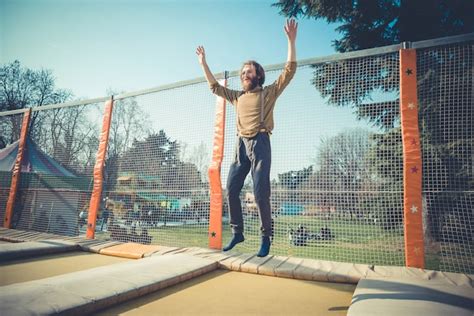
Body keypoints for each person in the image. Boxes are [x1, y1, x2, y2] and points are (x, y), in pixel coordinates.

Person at [196, 19, 298, 257]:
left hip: (260, 143)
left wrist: (291, 41)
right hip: (240, 145)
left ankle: (266, 237)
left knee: (261, 191)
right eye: (242, 72)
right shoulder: (237, 97)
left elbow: (289, 71)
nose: (244, 74)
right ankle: (237, 231)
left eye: (248, 72)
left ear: (258, 75)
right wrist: (203, 63)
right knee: (231, 189)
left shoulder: (269, 92)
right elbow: (214, 88)